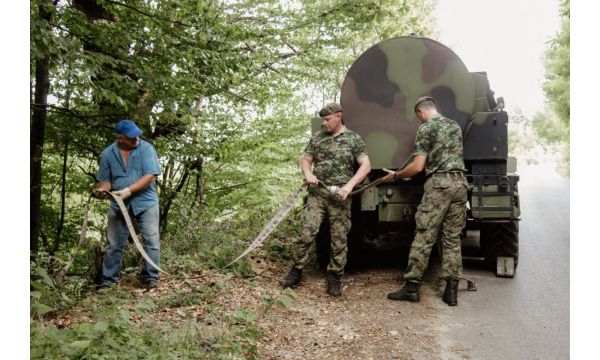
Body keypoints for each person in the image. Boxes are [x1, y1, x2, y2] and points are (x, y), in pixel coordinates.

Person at [279, 103, 371, 297]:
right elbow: (305, 160)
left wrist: (349, 186)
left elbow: (366, 166)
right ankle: (296, 271)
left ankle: (335, 276)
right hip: (317, 195)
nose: (324, 123)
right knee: (307, 232)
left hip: (340, 198)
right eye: (323, 119)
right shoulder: (318, 137)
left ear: (338, 117)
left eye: (328, 119)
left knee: (339, 239)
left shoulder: (354, 139)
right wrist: (308, 173)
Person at [384, 97, 468, 306]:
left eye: (418, 116)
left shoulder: (426, 129)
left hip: (439, 185)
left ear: (421, 111)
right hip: (460, 184)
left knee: (424, 234)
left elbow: (418, 166)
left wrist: (396, 176)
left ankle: (412, 287)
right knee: (451, 238)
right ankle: (451, 292)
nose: (419, 120)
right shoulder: (454, 126)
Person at [92, 119, 161, 290]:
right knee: (114, 243)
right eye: (131, 137)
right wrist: (102, 191)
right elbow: (106, 181)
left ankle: (150, 278)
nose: (136, 139)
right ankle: (109, 282)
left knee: (151, 240)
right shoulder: (108, 153)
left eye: (137, 135)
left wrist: (128, 191)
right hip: (118, 204)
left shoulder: (146, 149)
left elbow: (151, 175)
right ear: (121, 138)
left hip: (146, 202)